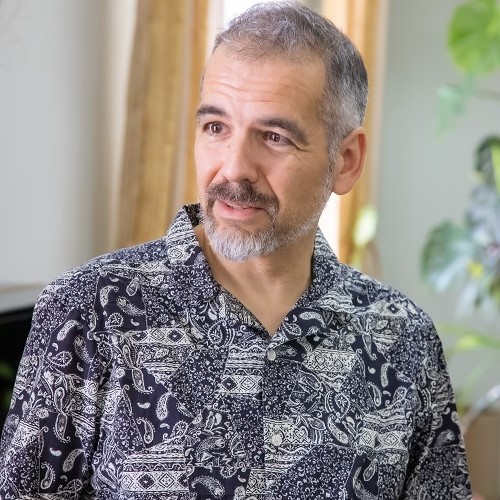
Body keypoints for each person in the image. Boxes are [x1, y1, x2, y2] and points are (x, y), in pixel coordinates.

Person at [0, 2, 471, 499]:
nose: (234, 168)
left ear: (347, 160)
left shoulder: (405, 340)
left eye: (274, 137)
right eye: (216, 127)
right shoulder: (86, 311)